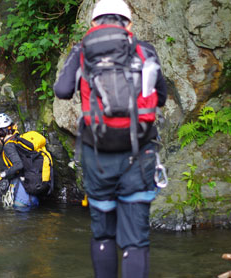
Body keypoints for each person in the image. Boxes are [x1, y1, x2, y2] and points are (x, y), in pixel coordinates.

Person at [54, 0, 167, 277]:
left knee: (103, 234)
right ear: (128, 24)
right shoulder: (145, 51)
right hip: (139, 154)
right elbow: (160, 97)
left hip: (97, 155)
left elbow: (61, 90)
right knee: (136, 239)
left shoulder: (82, 50)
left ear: (93, 24)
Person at [0, 113, 39, 212]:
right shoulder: (18, 140)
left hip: (22, 197)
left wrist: (0, 175)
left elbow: (19, 165)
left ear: (0, 133)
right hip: (31, 191)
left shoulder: (8, 146)